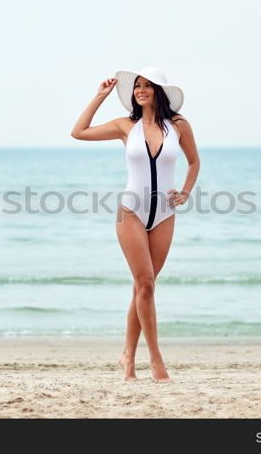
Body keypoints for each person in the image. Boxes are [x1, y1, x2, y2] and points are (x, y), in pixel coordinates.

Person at [71, 66, 200, 382]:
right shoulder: (124, 126)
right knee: (144, 285)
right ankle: (156, 360)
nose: (140, 90)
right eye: (137, 86)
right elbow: (79, 131)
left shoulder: (179, 125)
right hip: (130, 211)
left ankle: (127, 356)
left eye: (147, 86)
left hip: (165, 214)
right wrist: (99, 96)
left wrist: (185, 192)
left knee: (146, 287)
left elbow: (194, 162)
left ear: (159, 91)